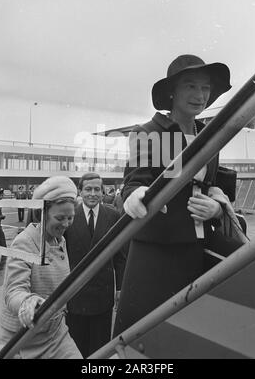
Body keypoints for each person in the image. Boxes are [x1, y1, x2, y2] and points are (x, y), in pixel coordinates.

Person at [113, 54, 232, 336]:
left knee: (187, 334)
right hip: (157, 252)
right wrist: (138, 196)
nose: (199, 95)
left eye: (204, 88)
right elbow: (133, 184)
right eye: (190, 86)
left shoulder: (210, 135)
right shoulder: (151, 132)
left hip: (196, 249)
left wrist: (215, 209)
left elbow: (215, 189)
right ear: (172, 92)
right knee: (147, 337)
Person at [0, 176, 83, 359]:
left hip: (55, 333)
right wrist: (28, 302)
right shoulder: (24, 241)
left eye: (70, 218)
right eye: (60, 218)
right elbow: (14, 290)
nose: (65, 224)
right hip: (21, 340)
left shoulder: (60, 240)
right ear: (43, 213)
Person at [65, 172, 126, 358]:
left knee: (100, 348)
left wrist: (120, 288)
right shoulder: (69, 215)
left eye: (97, 189)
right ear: (80, 191)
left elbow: (120, 256)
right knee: (76, 347)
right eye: (88, 189)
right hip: (75, 295)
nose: (93, 193)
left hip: (103, 294)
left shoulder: (113, 216)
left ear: (103, 191)